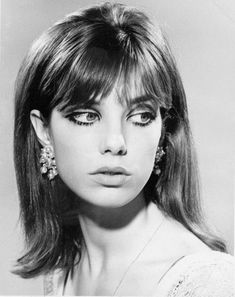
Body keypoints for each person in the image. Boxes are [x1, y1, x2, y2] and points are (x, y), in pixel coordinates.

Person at [13, 2, 234, 296]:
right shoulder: (64, 269)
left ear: (163, 129)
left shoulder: (206, 284)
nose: (116, 143)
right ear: (43, 130)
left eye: (140, 116)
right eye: (86, 116)